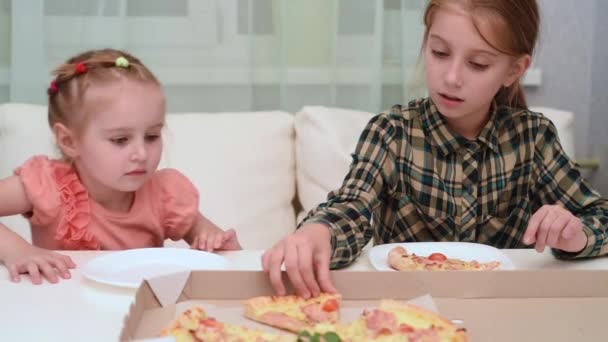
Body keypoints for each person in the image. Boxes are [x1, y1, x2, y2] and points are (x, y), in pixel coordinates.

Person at [262, 0, 608, 298]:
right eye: (439, 52)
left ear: (515, 70)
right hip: (405, 313)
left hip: (501, 308)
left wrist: (575, 235)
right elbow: (350, 208)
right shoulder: (392, 132)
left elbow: (600, 217)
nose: (452, 77)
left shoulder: (533, 139)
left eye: (478, 64)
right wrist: (317, 232)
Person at [0, 49, 241, 285]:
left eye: (152, 136)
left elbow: (227, 252)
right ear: (69, 141)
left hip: (137, 313)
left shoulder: (165, 193)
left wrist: (218, 246)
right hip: (61, 312)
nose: (141, 154)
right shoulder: (48, 185)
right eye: (120, 140)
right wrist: (17, 250)